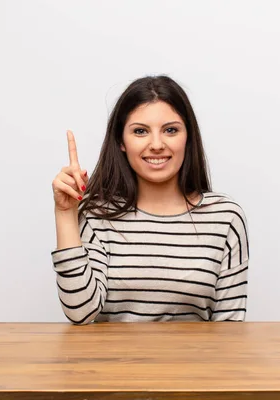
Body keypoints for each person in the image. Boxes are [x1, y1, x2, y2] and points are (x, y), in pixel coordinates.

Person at [51, 75, 249, 324]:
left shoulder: (225, 217)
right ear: (121, 142)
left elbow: (230, 329)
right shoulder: (96, 215)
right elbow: (80, 313)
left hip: (197, 363)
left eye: (170, 130)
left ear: (188, 137)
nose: (156, 144)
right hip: (113, 363)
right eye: (140, 131)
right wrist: (66, 213)